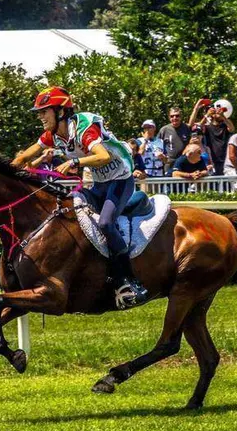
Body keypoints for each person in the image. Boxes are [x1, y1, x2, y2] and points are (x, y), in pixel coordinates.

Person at [12, 86, 148, 309]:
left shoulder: (84, 128)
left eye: (44, 111)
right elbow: (26, 155)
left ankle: (128, 280)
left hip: (120, 180)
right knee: (68, 211)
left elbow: (102, 156)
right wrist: (3, 170)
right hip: (99, 184)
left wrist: (74, 162)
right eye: (39, 112)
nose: (40, 116)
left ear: (61, 112)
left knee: (105, 222)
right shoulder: (53, 135)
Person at [189, 98, 235, 175]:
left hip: (224, 160)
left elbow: (232, 128)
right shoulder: (207, 126)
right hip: (211, 161)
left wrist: (223, 116)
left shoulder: (225, 126)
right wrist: (207, 115)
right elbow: (197, 127)